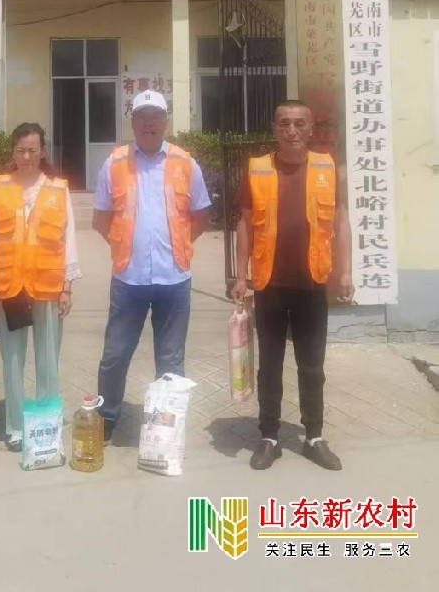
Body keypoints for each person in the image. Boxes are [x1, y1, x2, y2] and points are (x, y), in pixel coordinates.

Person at [232, 99, 354, 472]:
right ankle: (269, 437)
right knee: (269, 365)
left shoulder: (327, 169)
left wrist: (345, 272)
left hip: (312, 283)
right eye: (285, 123)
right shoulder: (256, 170)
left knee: (312, 366)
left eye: (300, 124)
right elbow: (245, 225)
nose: (292, 131)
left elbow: (340, 223)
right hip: (270, 283)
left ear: (311, 129)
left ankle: (313, 436)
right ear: (274, 128)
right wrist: (241, 276)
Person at [93, 90, 212, 442]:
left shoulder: (185, 163)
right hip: (128, 278)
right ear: (132, 121)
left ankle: (166, 423)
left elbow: (201, 215)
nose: (149, 122)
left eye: (155, 116)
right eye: (142, 115)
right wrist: (121, 245)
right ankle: (107, 416)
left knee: (171, 360)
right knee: (114, 355)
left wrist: (181, 245)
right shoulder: (114, 163)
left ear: (165, 121)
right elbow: (101, 218)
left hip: (174, 277)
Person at [0, 122, 81, 452]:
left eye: (33, 150)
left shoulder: (57, 188)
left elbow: (69, 239)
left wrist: (67, 285)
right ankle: (15, 427)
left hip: (48, 285)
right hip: (10, 284)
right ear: (13, 151)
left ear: (42, 151)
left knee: (47, 359)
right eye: (21, 150)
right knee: (12, 358)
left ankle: (46, 425)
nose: (27, 156)